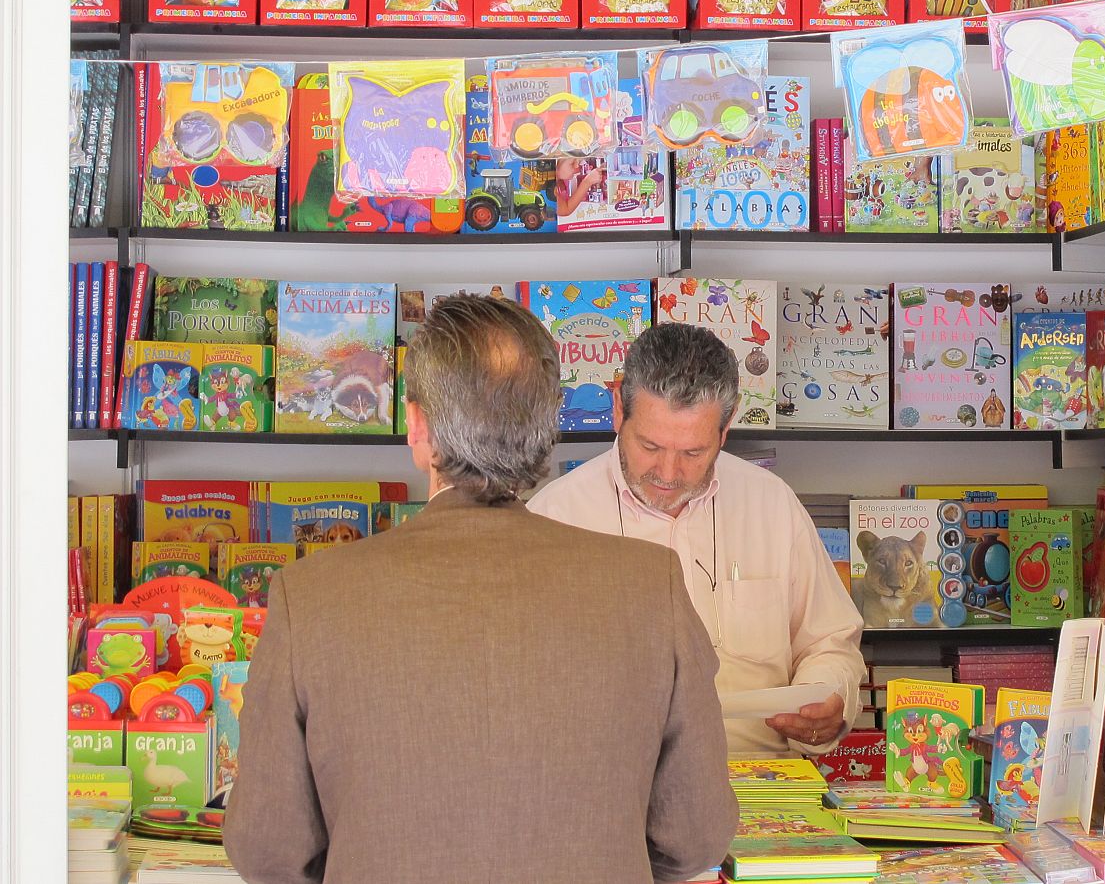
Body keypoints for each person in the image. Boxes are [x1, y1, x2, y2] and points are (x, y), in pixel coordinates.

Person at [225, 296, 736, 884]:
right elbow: (695, 836)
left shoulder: (308, 597)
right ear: (547, 430)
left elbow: (268, 849)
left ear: (416, 427)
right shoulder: (652, 587)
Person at [530, 323, 866, 755]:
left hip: (754, 784)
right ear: (618, 409)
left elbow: (829, 641)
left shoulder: (772, 505)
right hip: (606, 793)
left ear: (725, 431)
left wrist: (826, 694)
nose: (668, 474)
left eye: (693, 453)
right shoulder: (553, 517)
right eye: (650, 445)